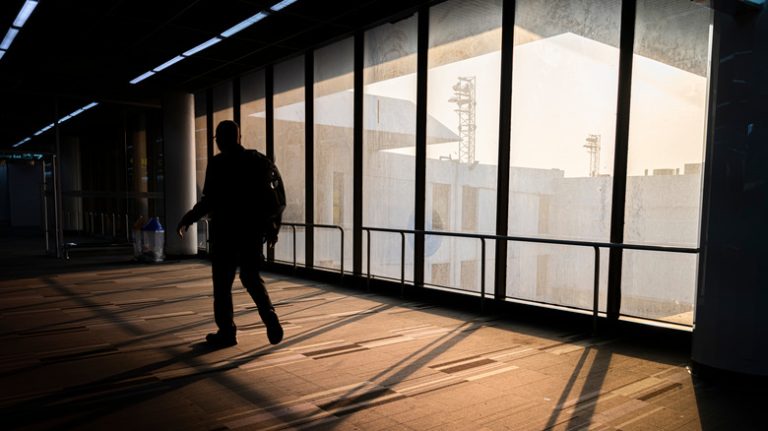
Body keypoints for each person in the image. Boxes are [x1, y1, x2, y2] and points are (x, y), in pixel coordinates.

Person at [177, 120, 284, 347]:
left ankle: (227, 333)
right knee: (251, 278)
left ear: (219, 139)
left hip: (225, 234)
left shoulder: (218, 164)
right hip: (251, 234)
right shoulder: (258, 161)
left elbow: (210, 201)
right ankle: (270, 316)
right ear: (239, 137)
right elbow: (274, 199)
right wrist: (272, 229)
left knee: (223, 287)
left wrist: (188, 218)